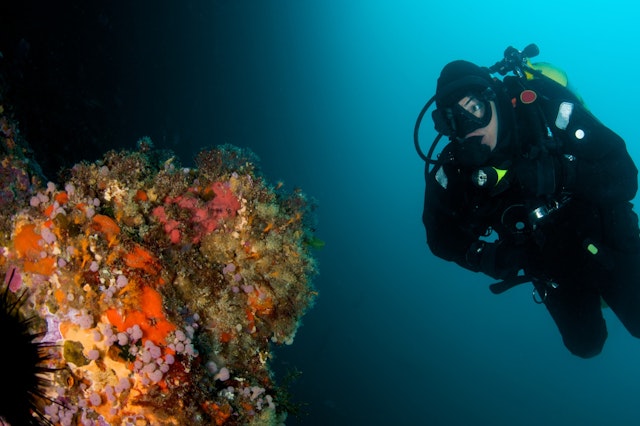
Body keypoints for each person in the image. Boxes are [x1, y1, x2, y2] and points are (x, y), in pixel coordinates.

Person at [422, 49, 640, 358]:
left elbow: (624, 176)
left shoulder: (543, 107)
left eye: (474, 108)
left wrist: (563, 173)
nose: (472, 128)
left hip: (607, 231)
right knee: (586, 345)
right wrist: (484, 256)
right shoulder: (457, 168)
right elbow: (438, 235)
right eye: (455, 120)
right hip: (549, 262)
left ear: (494, 97)